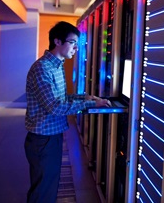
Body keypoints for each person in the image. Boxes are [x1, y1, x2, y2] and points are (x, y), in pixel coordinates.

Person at [24, 21, 110, 202]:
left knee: (48, 186)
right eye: (72, 43)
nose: (75, 48)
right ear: (57, 41)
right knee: (43, 190)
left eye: (77, 44)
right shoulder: (42, 69)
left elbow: (61, 99)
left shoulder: (57, 65)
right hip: (43, 139)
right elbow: (55, 107)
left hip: (51, 135)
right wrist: (89, 105)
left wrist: (85, 98)